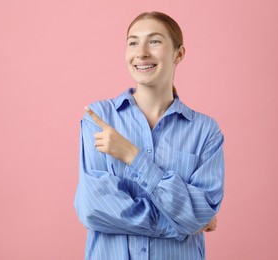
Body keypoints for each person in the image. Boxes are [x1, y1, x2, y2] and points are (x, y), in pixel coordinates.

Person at [74, 11, 225, 260]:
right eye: (133, 42)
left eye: (154, 41)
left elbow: (201, 212)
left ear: (179, 53)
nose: (141, 52)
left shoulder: (205, 132)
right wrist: (179, 225)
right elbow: (94, 209)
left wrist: (132, 155)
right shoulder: (99, 118)